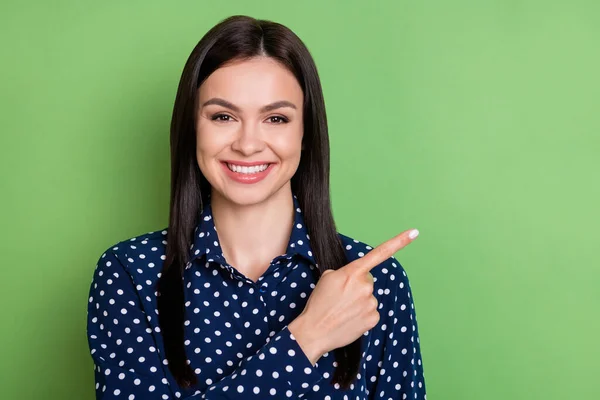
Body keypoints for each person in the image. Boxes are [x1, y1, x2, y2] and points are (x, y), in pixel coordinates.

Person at [87, 14, 426, 400]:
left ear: (305, 134)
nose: (248, 144)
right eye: (223, 116)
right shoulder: (131, 274)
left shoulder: (372, 284)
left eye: (276, 118)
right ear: (192, 127)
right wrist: (306, 338)